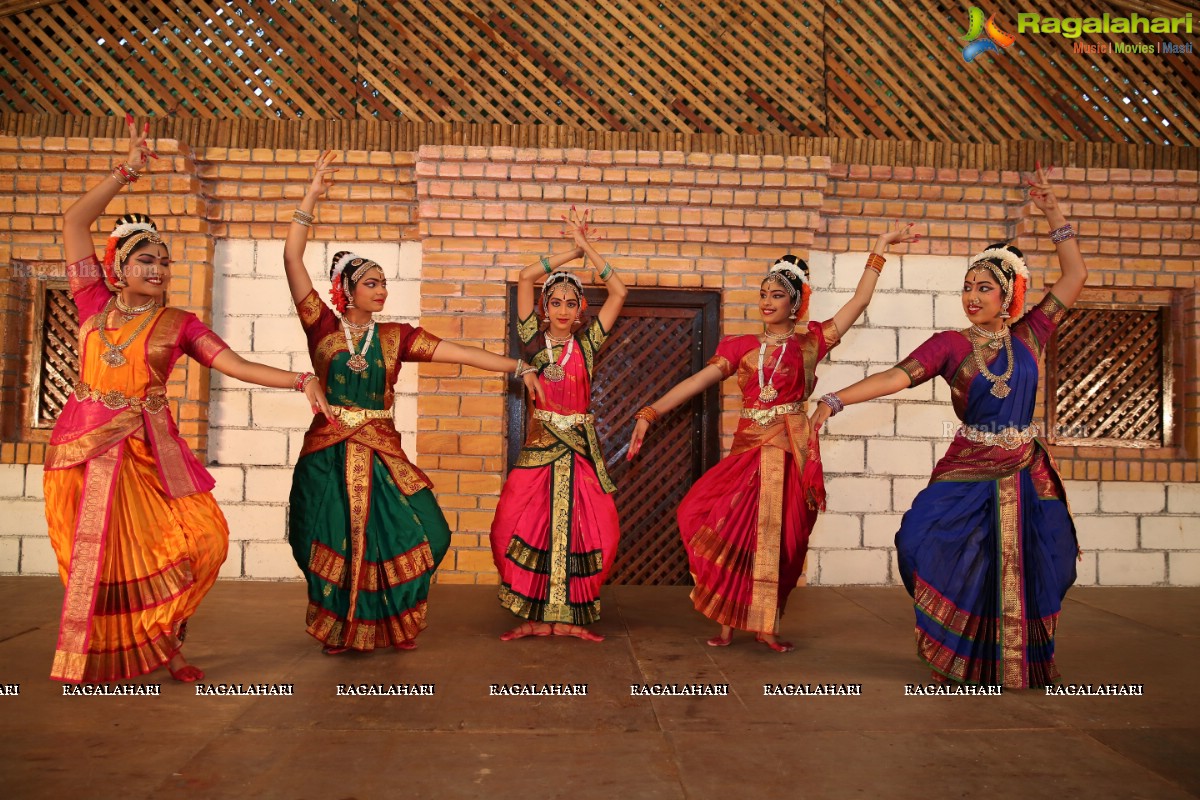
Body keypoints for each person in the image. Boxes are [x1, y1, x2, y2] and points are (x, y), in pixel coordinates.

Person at [45, 115, 331, 684]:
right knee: (101, 560)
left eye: (165, 261)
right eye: (146, 260)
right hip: (83, 450)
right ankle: (142, 656)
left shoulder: (178, 323)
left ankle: (165, 639)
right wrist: (126, 170)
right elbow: (75, 219)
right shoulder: (89, 302)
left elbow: (237, 364)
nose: (159, 269)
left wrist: (300, 380)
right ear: (117, 267)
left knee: (204, 542)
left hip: (148, 453)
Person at [810, 164, 1085, 687]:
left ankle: (1010, 663)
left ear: (1009, 296)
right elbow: (894, 377)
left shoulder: (1032, 334)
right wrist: (834, 399)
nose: (973, 296)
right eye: (967, 288)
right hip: (969, 464)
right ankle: (956, 653)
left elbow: (1074, 277)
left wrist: (1054, 213)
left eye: (984, 287)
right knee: (922, 539)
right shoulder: (950, 344)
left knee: (1031, 561)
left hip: (1024, 466)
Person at [284, 152, 543, 653]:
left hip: (382, 447)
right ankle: (341, 630)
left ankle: (397, 620)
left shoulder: (396, 337)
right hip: (331, 449)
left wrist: (517, 365)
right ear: (347, 291)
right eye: (372, 283)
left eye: (383, 282)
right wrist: (310, 199)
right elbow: (293, 260)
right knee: (335, 536)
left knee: (430, 531)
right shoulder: (321, 326)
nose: (382, 290)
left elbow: (459, 353)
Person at [629, 224, 920, 651]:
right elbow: (697, 381)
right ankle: (727, 622)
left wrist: (878, 250)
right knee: (723, 528)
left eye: (777, 295)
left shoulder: (811, 343)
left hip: (787, 453)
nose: (767, 302)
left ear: (796, 302)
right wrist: (650, 412)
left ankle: (766, 625)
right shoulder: (740, 346)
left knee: (780, 541)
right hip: (747, 452)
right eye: (764, 294)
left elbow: (858, 302)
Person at [489, 208, 628, 642]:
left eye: (571, 302)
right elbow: (526, 277)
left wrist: (589, 249)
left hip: (580, 450)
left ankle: (568, 620)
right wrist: (569, 253)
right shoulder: (531, 341)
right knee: (517, 525)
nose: (563, 309)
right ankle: (534, 617)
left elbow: (619, 292)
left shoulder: (587, 344)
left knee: (592, 528)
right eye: (556, 302)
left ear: (580, 309)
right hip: (539, 448)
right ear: (545, 308)